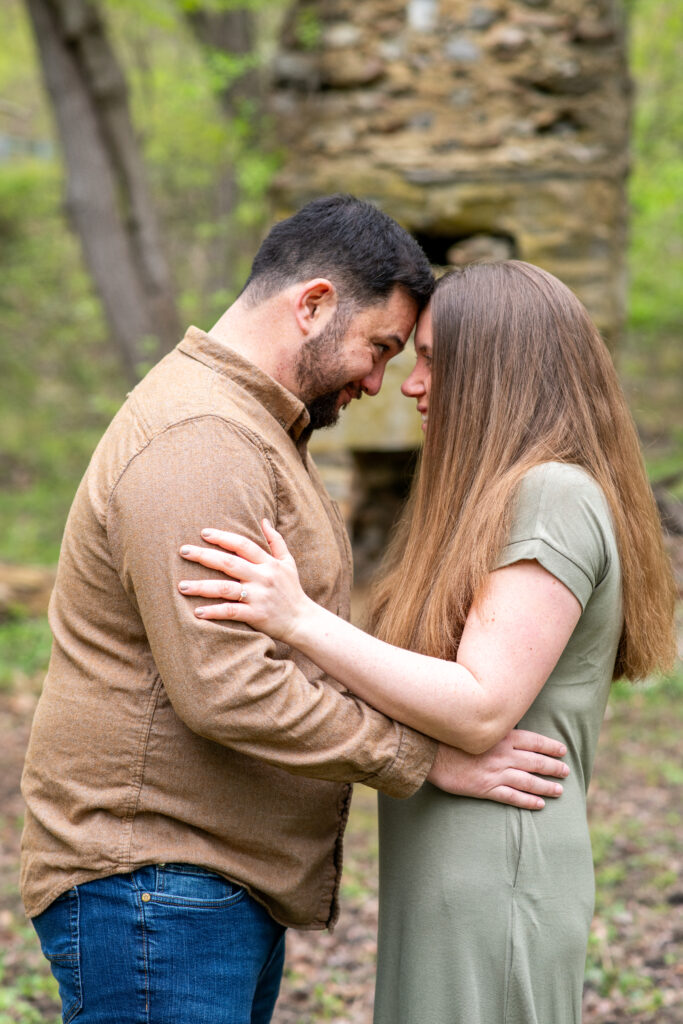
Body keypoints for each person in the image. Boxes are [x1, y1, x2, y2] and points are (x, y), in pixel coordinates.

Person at [21, 199, 570, 1024]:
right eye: (379, 347)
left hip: (196, 885)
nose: (379, 381)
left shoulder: (255, 430)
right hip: (153, 886)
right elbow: (228, 687)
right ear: (311, 304)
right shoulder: (201, 440)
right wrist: (421, 757)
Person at [177, 260, 676, 1024]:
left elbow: (480, 707)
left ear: (499, 372)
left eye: (436, 361)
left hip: (497, 867)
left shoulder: (552, 495)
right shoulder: (494, 503)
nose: (410, 384)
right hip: (451, 863)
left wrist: (299, 619)